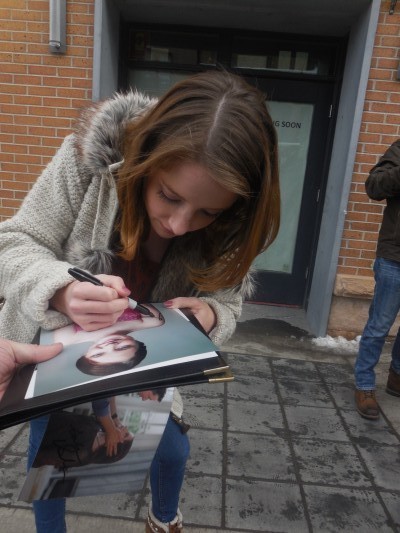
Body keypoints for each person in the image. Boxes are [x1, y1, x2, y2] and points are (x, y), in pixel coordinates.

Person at [0, 70, 280, 532]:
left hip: (142, 364)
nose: (180, 224)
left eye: (208, 212)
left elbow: (227, 301)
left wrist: (211, 315)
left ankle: (163, 520)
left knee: (172, 449)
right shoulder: (88, 162)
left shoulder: (236, 224)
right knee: (52, 461)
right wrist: (61, 289)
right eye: (168, 196)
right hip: (61, 358)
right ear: (145, 159)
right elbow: (14, 243)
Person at [354, 138, 400, 420]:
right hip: (395, 256)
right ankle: (364, 385)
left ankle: (396, 376)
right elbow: (374, 187)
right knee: (379, 326)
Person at [76, 333, 147, 376]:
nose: (110, 346)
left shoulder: (74, 336)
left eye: (98, 354)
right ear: (136, 342)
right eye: (123, 347)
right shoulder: (144, 320)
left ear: (85, 354)